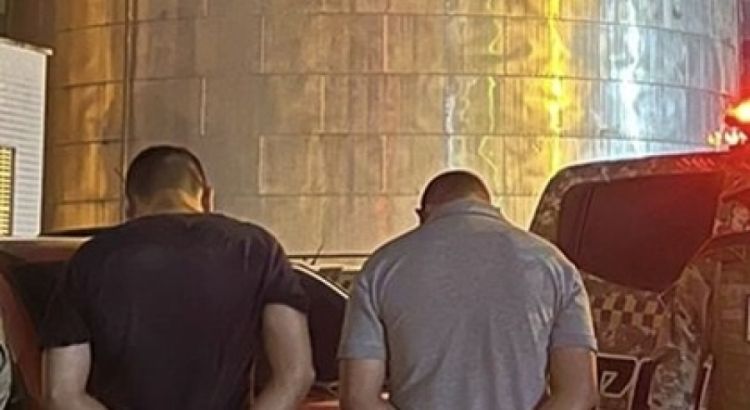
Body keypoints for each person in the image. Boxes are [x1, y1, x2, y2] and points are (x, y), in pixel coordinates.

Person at [40, 146, 314, 410]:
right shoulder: (257, 249)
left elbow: (60, 393)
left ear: (130, 207)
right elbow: (296, 373)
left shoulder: (90, 260)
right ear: (208, 197)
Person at [338, 170, 599, 410]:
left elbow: (358, 398)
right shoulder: (554, 266)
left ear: (422, 214)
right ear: (491, 207)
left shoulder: (381, 268)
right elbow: (579, 393)